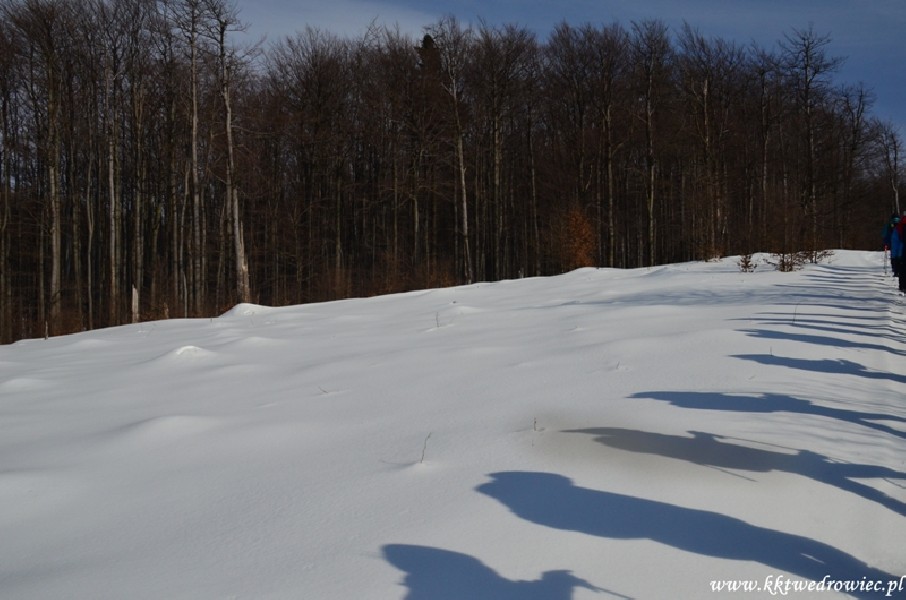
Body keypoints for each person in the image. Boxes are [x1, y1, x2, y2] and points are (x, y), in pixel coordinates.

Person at [893, 213, 906, 293]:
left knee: (902, 270)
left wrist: (894, 256)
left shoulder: (898, 227)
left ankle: (903, 287)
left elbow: (895, 243)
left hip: (902, 253)